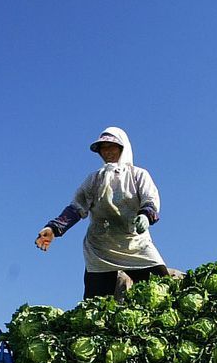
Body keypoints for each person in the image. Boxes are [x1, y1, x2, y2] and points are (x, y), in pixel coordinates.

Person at [35, 126, 169, 298]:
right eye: (103, 149)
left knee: (163, 289)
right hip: (101, 246)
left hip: (133, 242)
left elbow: (150, 199)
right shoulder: (95, 179)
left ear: (123, 148)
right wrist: (54, 229)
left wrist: (146, 215)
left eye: (111, 147)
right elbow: (77, 207)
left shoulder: (138, 175)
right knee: (96, 303)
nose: (107, 152)